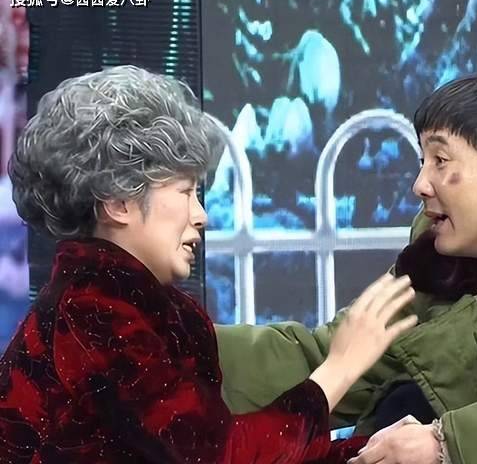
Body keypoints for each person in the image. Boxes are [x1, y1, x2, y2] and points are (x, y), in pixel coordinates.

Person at [216, 66, 477, 464]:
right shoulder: (442, 260)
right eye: (423, 162)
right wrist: (187, 339)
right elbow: (334, 356)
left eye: (441, 161)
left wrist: (445, 443)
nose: (419, 184)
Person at [0, 65, 419, 463]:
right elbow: (216, 455)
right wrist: (340, 367)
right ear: (118, 201)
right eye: (185, 192)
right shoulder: (92, 312)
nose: (201, 215)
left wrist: (370, 452)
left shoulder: (149, 308)